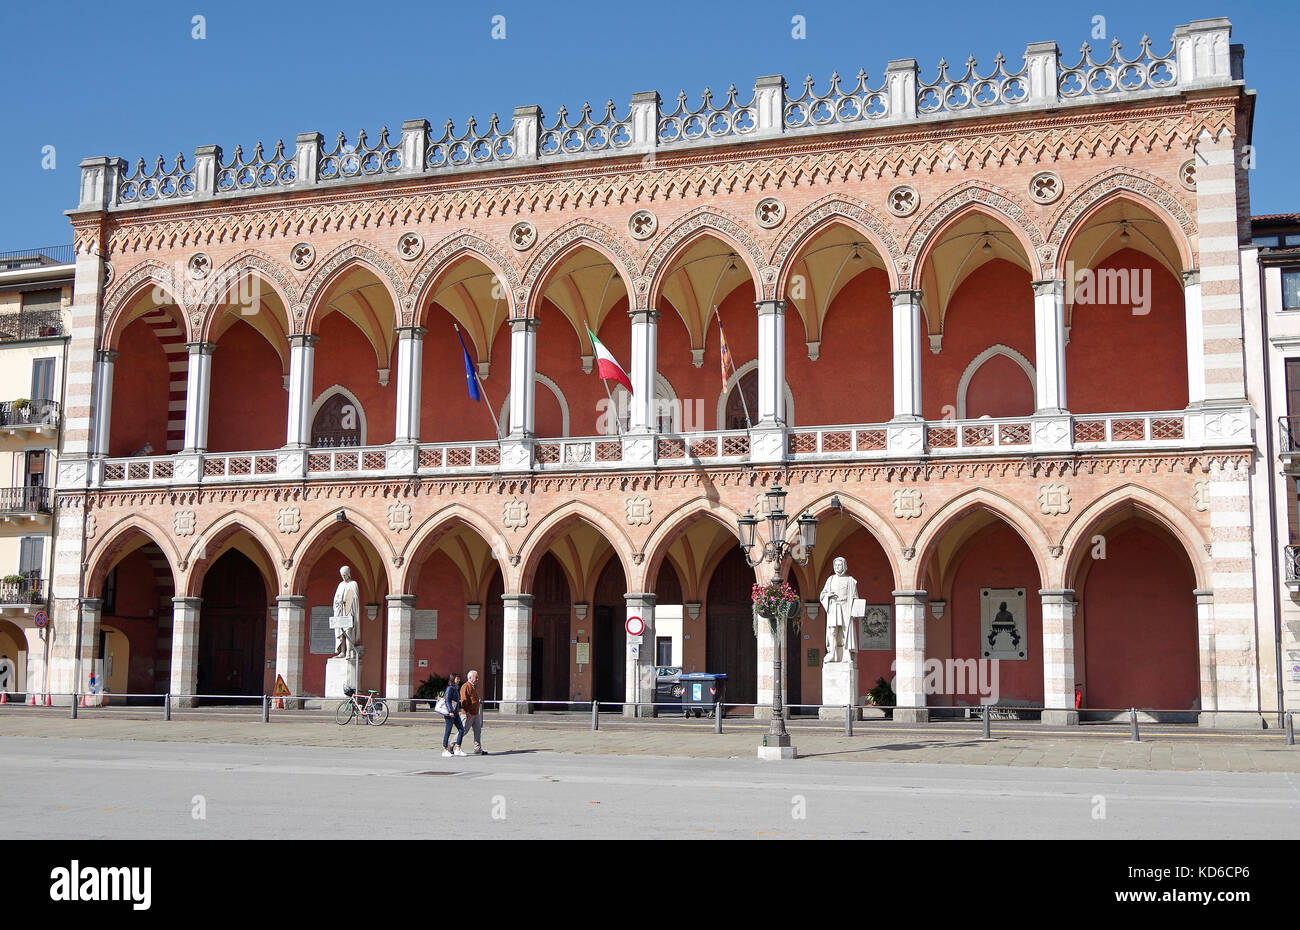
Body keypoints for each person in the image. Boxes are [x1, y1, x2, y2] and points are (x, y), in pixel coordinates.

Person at [459, 669, 486, 755]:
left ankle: (477, 748)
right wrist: (466, 712)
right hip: (468, 713)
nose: (477, 679)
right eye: (476, 677)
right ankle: (451, 745)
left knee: (477, 730)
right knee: (463, 731)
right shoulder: (465, 686)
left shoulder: (474, 687)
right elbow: (464, 700)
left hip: (475, 713)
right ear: (470, 678)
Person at [441, 674, 466, 758]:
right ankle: (444, 749)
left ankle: (458, 748)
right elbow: (447, 700)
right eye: (457, 678)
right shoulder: (450, 688)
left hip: (455, 713)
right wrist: (450, 711)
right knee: (448, 731)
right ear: (453, 679)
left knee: (461, 729)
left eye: (459, 678)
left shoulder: (455, 688)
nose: (459, 680)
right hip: (450, 713)